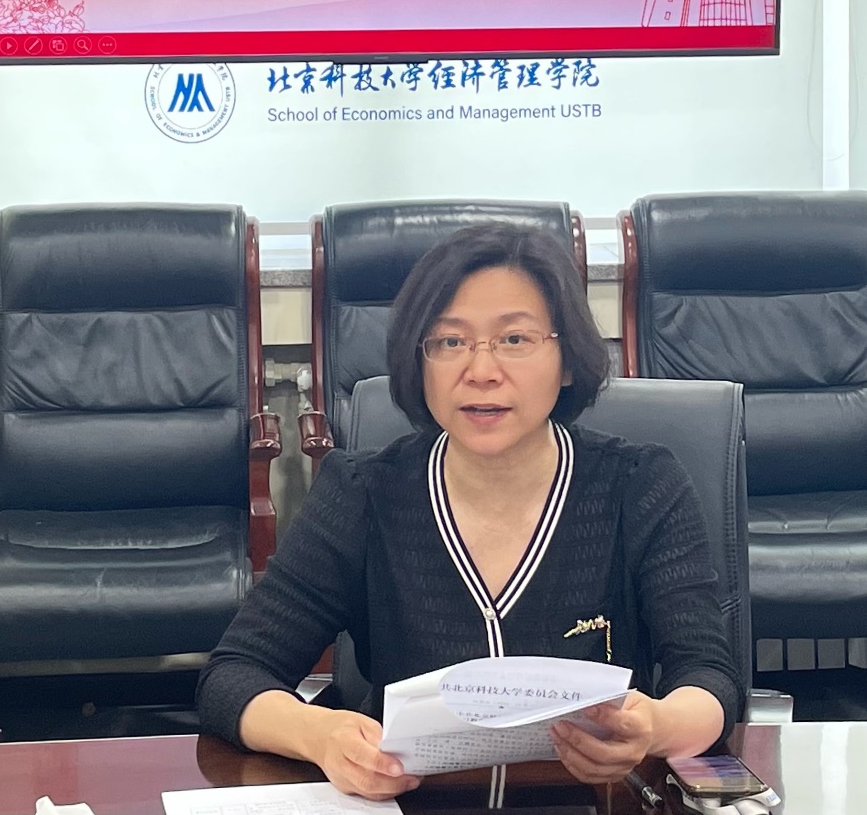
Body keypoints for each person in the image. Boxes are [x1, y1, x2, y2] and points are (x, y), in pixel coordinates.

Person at [197, 224, 741, 797]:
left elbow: (710, 678)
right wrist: (320, 734)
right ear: (420, 362)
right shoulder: (363, 493)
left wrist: (655, 727)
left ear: (568, 360)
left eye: (515, 339)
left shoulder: (639, 486)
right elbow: (233, 676)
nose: (481, 371)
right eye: (450, 341)